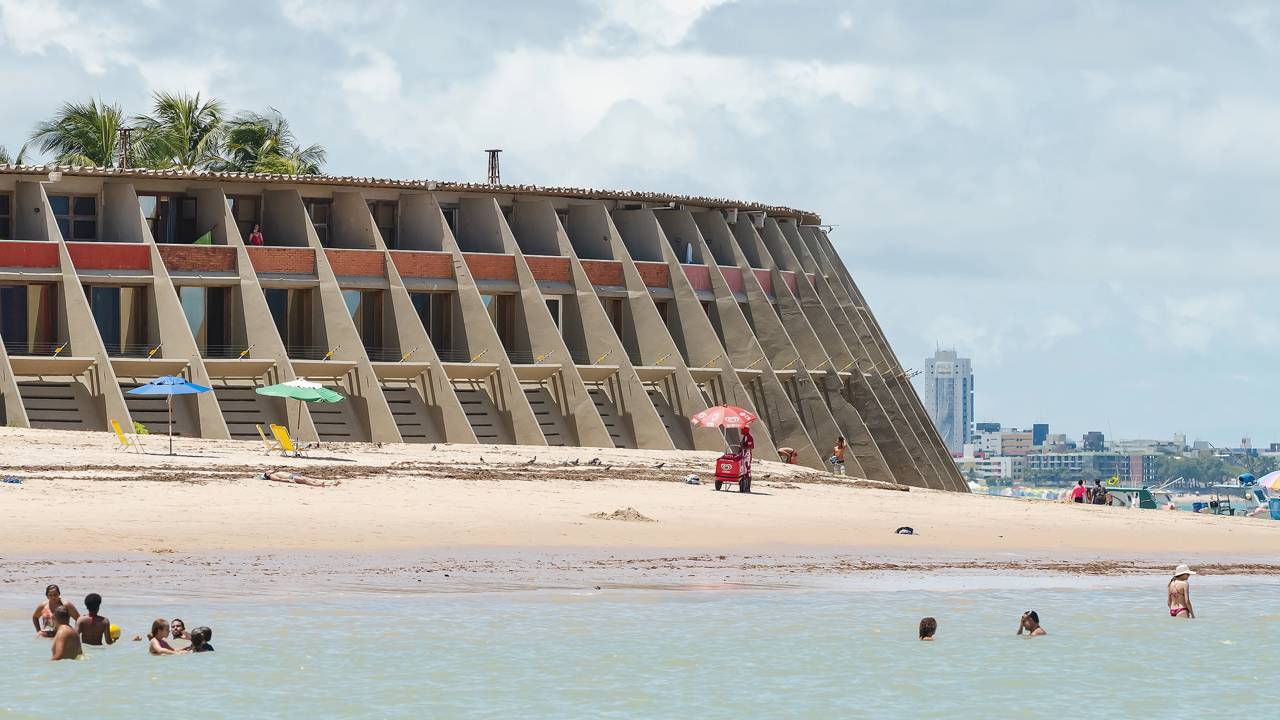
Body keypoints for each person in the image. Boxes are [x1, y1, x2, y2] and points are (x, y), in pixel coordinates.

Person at [261, 469, 340, 487]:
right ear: (267, 474)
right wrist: (288, 480)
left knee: (311, 479)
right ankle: (319, 485)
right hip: (291, 477)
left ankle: (330, 484)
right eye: (268, 471)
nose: (270, 470)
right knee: (305, 480)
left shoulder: (275, 472)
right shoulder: (271, 476)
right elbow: (279, 479)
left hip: (293, 475)